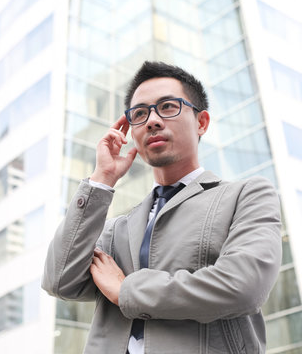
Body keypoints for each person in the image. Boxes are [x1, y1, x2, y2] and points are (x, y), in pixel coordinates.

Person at [42, 61, 281, 354]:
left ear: (201, 122)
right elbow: (59, 281)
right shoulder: (119, 227)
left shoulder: (246, 196)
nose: (153, 120)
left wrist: (126, 290)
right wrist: (101, 180)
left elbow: (243, 286)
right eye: (140, 113)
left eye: (168, 106)